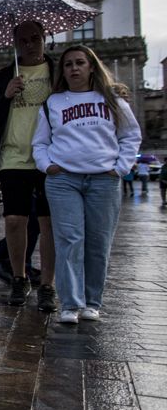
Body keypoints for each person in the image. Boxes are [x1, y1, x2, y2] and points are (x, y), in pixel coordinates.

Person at [33, 44, 141, 324]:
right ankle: (70, 303)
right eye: (68, 64)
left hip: (103, 179)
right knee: (69, 241)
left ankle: (92, 302)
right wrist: (47, 166)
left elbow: (130, 136)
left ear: (92, 66)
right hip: (63, 179)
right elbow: (40, 143)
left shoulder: (113, 101)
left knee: (98, 243)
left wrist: (120, 168)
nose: (74, 68)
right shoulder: (53, 103)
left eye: (80, 62)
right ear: (62, 71)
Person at [0, 20, 57, 311]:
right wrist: (5, 95)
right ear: (15, 44)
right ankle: (19, 277)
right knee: (14, 221)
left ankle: (48, 284)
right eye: (22, 40)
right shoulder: (2, 77)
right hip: (13, 156)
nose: (29, 44)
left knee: (49, 225)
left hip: (51, 158)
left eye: (35, 38)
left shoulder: (57, 72)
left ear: (45, 38)